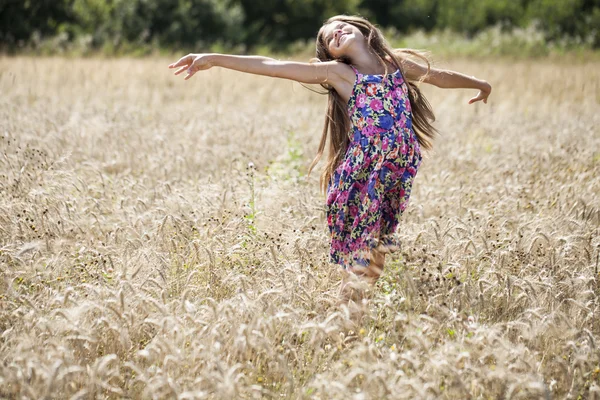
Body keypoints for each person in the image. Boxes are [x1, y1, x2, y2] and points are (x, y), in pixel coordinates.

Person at [168, 15, 491, 299]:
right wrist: (214, 58)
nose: (335, 32)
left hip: (396, 173)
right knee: (362, 253)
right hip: (362, 174)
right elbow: (274, 66)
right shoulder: (340, 74)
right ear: (331, 54)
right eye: (328, 38)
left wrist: (480, 84)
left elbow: (440, 76)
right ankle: (347, 315)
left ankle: (352, 314)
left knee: (377, 251)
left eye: (340, 26)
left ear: (363, 30)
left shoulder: (396, 65)